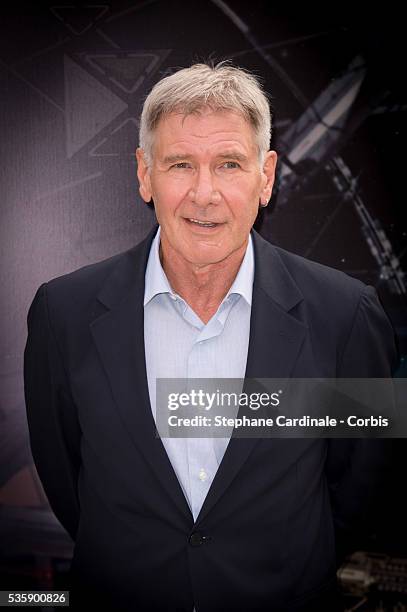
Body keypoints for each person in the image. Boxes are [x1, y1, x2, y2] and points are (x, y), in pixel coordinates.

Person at [24, 62, 398, 612]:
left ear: (266, 177)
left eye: (229, 164)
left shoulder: (345, 315)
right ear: (145, 174)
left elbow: (362, 486)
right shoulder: (65, 313)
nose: (204, 193)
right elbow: (66, 477)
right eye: (180, 164)